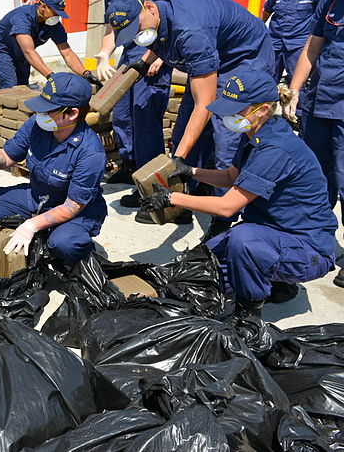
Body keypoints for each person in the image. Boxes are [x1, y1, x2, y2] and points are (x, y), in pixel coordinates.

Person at [141, 69, 337, 317]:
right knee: (204, 259)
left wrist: (172, 198)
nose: (228, 116)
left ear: (263, 110)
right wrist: (191, 171)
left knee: (242, 241)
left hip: (308, 248)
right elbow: (231, 177)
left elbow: (227, 207)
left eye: (236, 110)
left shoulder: (275, 149)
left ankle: (249, 318)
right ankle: (277, 285)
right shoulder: (254, 135)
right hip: (273, 232)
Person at [105, 0, 275, 239]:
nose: (139, 36)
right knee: (184, 131)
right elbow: (161, 36)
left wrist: (178, 159)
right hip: (210, 54)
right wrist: (145, 60)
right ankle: (183, 202)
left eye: (138, 29)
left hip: (243, 59)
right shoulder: (154, 9)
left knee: (225, 138)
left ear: (150, 8)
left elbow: (205, 103)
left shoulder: (191, 33)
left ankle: (223, 221)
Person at [0, 73, 107, 267]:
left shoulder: (90, 152)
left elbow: (73, 206)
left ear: (72, 114)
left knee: (64, 244)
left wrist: (32, 225)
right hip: (37, 197)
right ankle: (43, 232)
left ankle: (82, 251)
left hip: (74, 209)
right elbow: (7, 158)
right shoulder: (37, 126)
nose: (40, 115)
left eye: (47, 111)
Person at [91, 0, 177, 217]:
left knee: (144, 119)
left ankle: (151, 186)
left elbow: (171, 11)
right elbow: (111, 28)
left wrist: (159, 56)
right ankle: (130, 168)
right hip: (130, 57)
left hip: (155, 54)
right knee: (124, 116)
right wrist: (105, 54)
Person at [286, 0, 344, 288]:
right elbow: (313, 47)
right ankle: (314, 241)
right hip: (319, 103)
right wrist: (294, 89)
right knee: (315, 179)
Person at [0, 0, 103, 90]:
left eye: (59, 14)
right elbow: (29, 52)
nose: (56, 16)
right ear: (42, 7)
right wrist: (50, 76)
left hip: (22, 52)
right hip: (3, 48)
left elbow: (67, 54)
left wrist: (85, 74)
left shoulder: (54, 25)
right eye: (54, 12)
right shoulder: (22, 18)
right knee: (11, 87)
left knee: (22, 85)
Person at [262, 0, 324, 84]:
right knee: (267, 79)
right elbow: (266, 13)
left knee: (297, 81)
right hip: (275, 44)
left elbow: (322, 17)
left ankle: (294, 103)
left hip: (298, 45)